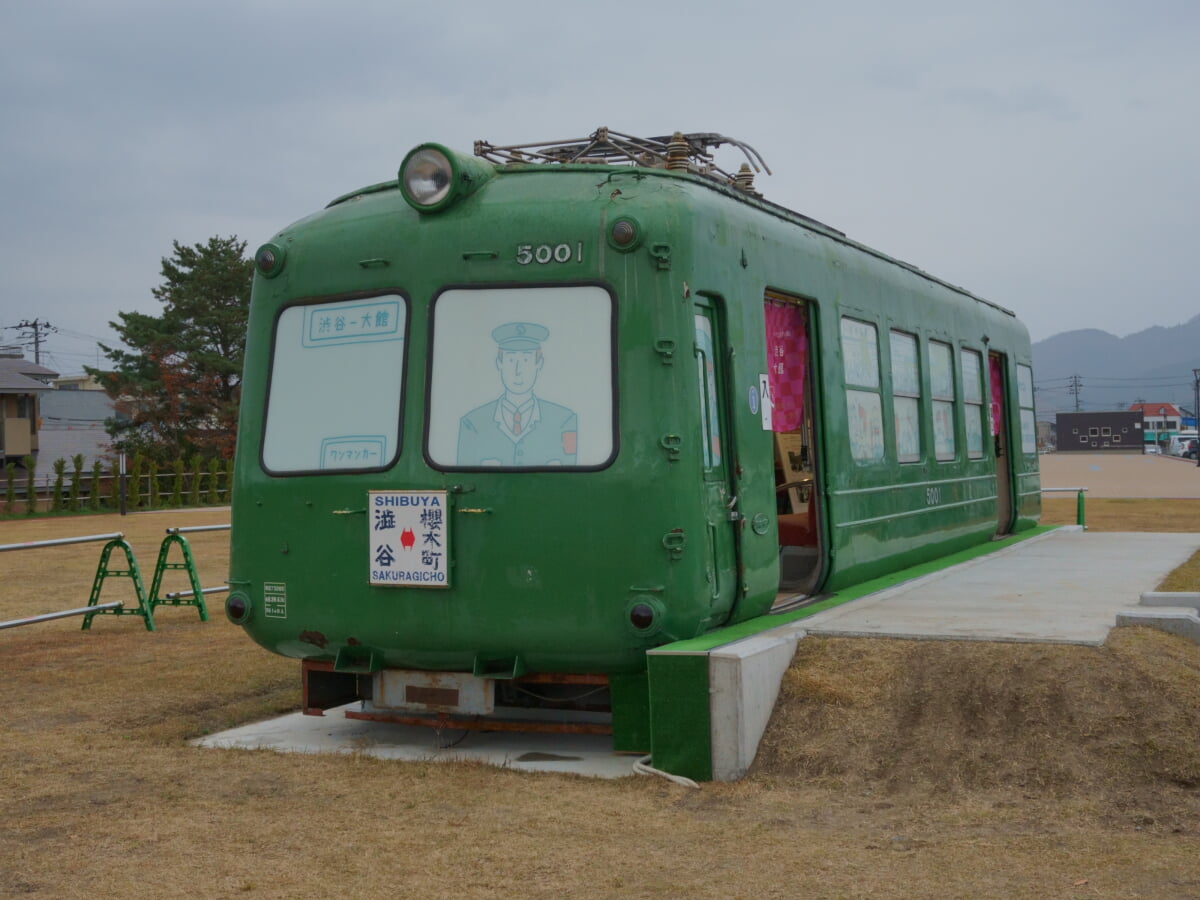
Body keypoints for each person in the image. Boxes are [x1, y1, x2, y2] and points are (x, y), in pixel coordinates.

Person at [456, 322, 577, 466]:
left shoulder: (564, 421)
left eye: (526, 360)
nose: (518, 370)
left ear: (539, 363)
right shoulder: (472, 424)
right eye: (511, 360)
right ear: (499, 363)